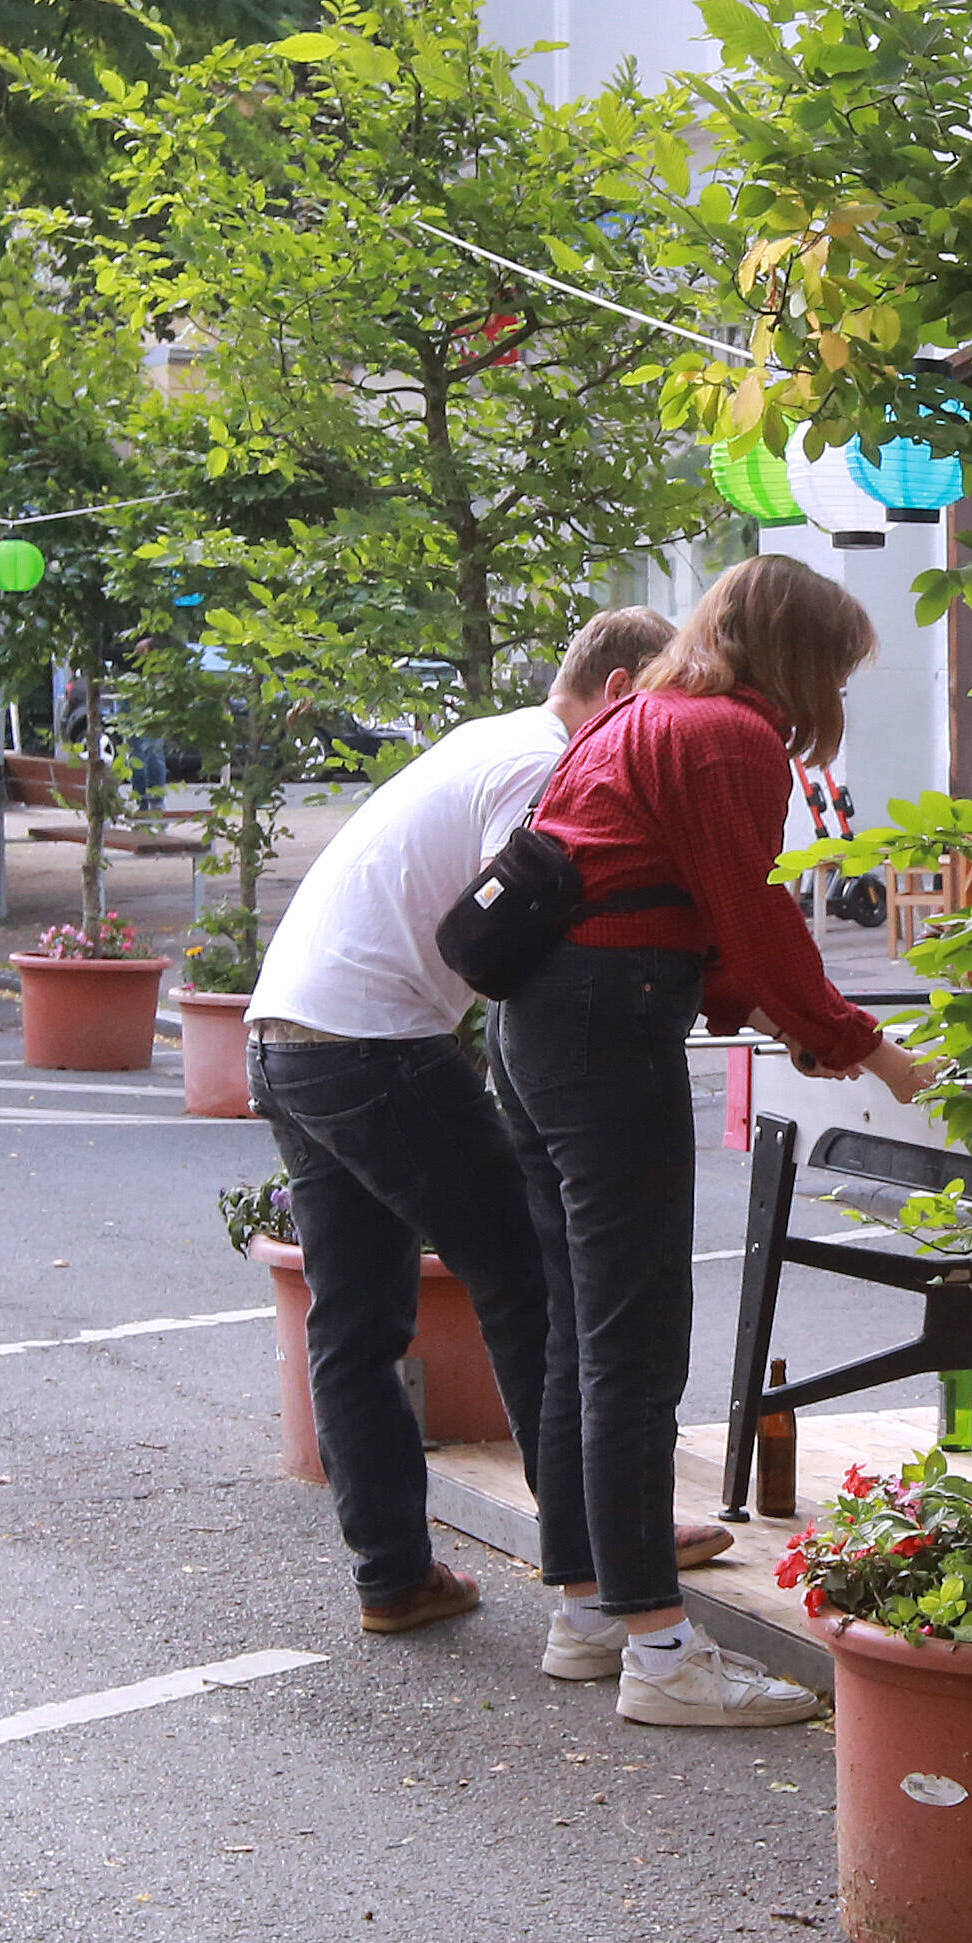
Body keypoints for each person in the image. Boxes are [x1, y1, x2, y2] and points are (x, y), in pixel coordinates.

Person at [504, 557, 935, 1729]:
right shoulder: (728, 736)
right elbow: (755, 913)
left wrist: (767, 1013)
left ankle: (589, 1612)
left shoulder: (640, 709)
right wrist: (867, 1047)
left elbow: (675, 898)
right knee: (636, 1342)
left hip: (536, 1023)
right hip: (604, 1029)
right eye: (837, 666)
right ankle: (663, 1654)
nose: (835, 690)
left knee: (581, 1335)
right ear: (801, 657)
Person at [246, 606, 678, 1639]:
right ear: (621, 690)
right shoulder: (544, 767)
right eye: (666, 711)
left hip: (287, 1031)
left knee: (356, 1319)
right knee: (528, 1275)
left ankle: (392, 1575)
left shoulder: (491, 736)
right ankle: (598, 1545)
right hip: (374, 1045)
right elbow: (505, 936)